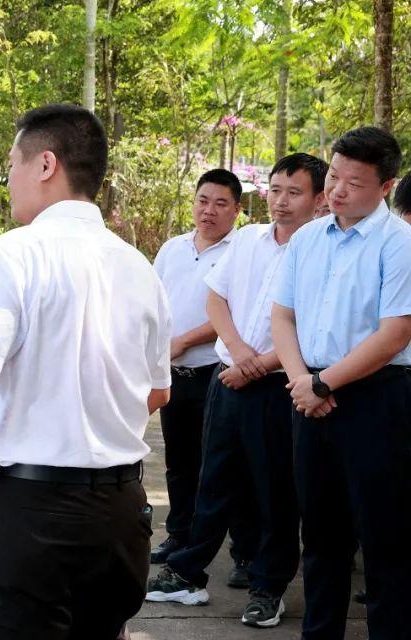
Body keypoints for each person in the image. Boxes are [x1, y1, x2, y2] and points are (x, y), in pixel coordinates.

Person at [0, 103, 173, 639]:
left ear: (46, 164)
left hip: (36, 511)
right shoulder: (139, 265)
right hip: (120, 512)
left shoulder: (14, 255)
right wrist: (93, 425)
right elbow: (158, 392)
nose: (8, 180)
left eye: (12, 165)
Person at [146, 153, 327, 628]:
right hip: (229, 381)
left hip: (276, 386)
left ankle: (268, 588)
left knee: (274, 492)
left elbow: (311, 328)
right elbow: (215, 296)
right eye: (275, 190)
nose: (282, 201)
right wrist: (238, 350)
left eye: (295, 193)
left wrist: (256, 364)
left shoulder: (319, 251)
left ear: (319, 199)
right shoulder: (247, 240)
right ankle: (187, 574)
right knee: (214, 479)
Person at [271, 126, 411, 640]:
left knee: (385, 536)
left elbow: (396, 332)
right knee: (321, 534)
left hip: (376, 398)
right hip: (308, 395)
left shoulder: (399, 244)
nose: (338, 190)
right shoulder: (307, 239)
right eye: (334, 176)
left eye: (354, 181)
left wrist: (323, 384)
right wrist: (301, 381)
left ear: (386, 186)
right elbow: (282, 317)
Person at [150, 169, 258, 584]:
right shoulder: (172, 248)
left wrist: (183, 340)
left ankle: (244, 552)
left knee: (229, 467)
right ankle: (179, 536)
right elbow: (154, 301)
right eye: (202, 200)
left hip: (216, 371)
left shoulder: (242, 251)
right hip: (173, 374)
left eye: (220, 203)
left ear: (237, 209)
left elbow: (230, 310)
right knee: (179, 463)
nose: (208, 211)